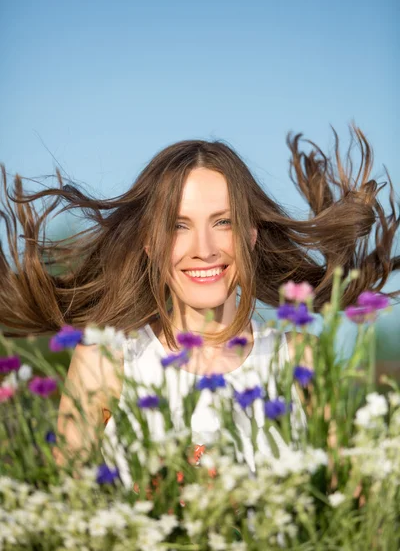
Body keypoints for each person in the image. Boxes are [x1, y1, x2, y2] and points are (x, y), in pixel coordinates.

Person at [0, 125, 398, 477]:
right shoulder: (108, 361)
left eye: (223, 222)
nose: (204, 249)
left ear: (251, 234)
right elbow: (65, 511)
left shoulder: (299, 360)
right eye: (178, 226)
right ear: (149, 243)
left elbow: (345, 500)